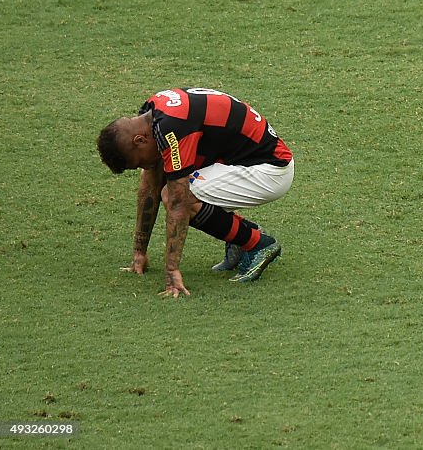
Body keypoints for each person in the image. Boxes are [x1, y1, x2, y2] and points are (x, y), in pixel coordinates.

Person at [97, 88, 293, 297]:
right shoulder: (152, 112)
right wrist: (139, 252)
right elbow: (149, 186)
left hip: (270, 170)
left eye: (138, 163)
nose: (143, 167)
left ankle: (257, 243)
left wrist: (171, 271)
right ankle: (239, 240)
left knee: (179, 196)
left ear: (139, 140)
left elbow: (178, 202)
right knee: (171, 187)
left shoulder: (171, 128)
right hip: (240, 162)